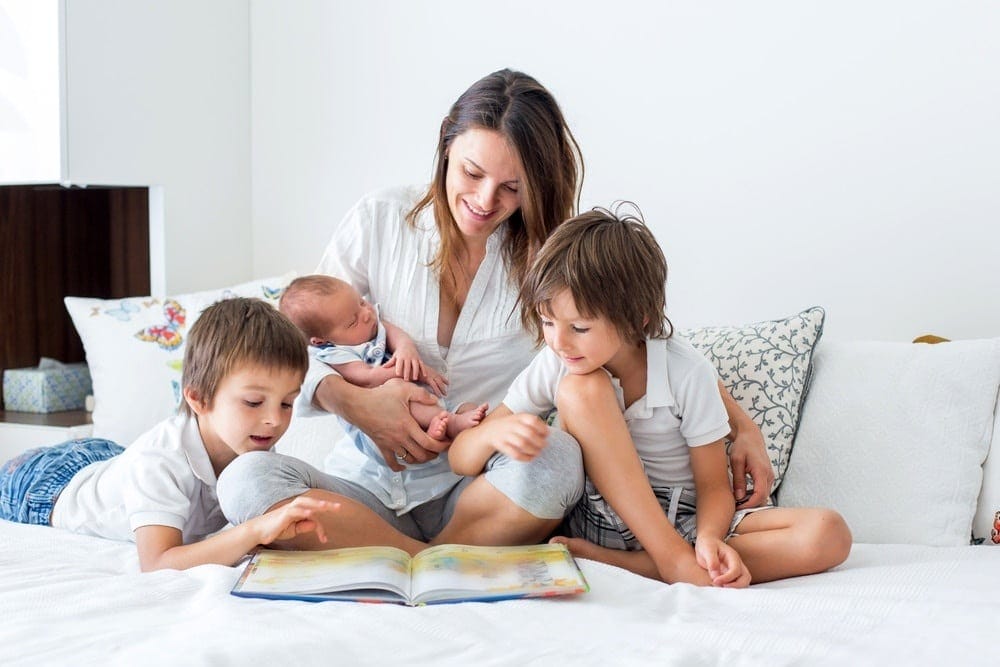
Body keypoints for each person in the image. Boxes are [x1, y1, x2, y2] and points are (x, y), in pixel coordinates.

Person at [216, 68, 773, 555]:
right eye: (471, 173)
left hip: (484, 492)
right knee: (245, 483)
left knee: (557, 459)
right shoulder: (379, 220)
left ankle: (403, 553)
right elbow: (288, 351)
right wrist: (357, 404)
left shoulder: (552, 254)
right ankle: (424, 556)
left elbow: (640, 346)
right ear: (446, 148)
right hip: (363, 485)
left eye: (512, 187)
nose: (486, 202)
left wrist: (742, 427)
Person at [451, 205, 852, 586]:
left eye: (580, 327)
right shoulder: (558, 363)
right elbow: (461, 459)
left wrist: (710, 539)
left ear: (637, 317)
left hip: (685, 519)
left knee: (828, 533)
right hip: (599, 513)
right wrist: (490, 435)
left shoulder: (687, 372)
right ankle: (672, 561)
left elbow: (713, 486)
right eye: (548, 322)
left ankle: (636, 564)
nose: (558, 341)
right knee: (581, 386)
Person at [0, 297, 336, 572]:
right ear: (198, 399)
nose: (273, 421)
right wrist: (253, 532)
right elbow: (158, 562)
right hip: (47, 485)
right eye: (253, 402)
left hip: (110, 458)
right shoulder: (160, 461)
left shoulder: (253, 444)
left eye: (287, 403)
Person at [279, 274, 488, 441]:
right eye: (352, 322)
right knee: (399, 389)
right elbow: (367, 377)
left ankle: (454, 418)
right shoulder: (335, 353)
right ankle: (446, 424)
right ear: (320, 340)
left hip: (420, 398)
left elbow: (392, 332)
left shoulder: (370, 324)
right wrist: (420, 372)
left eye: (361, 303)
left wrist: (406, 349)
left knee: (468, 408)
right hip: (386, 419)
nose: (367, 314)